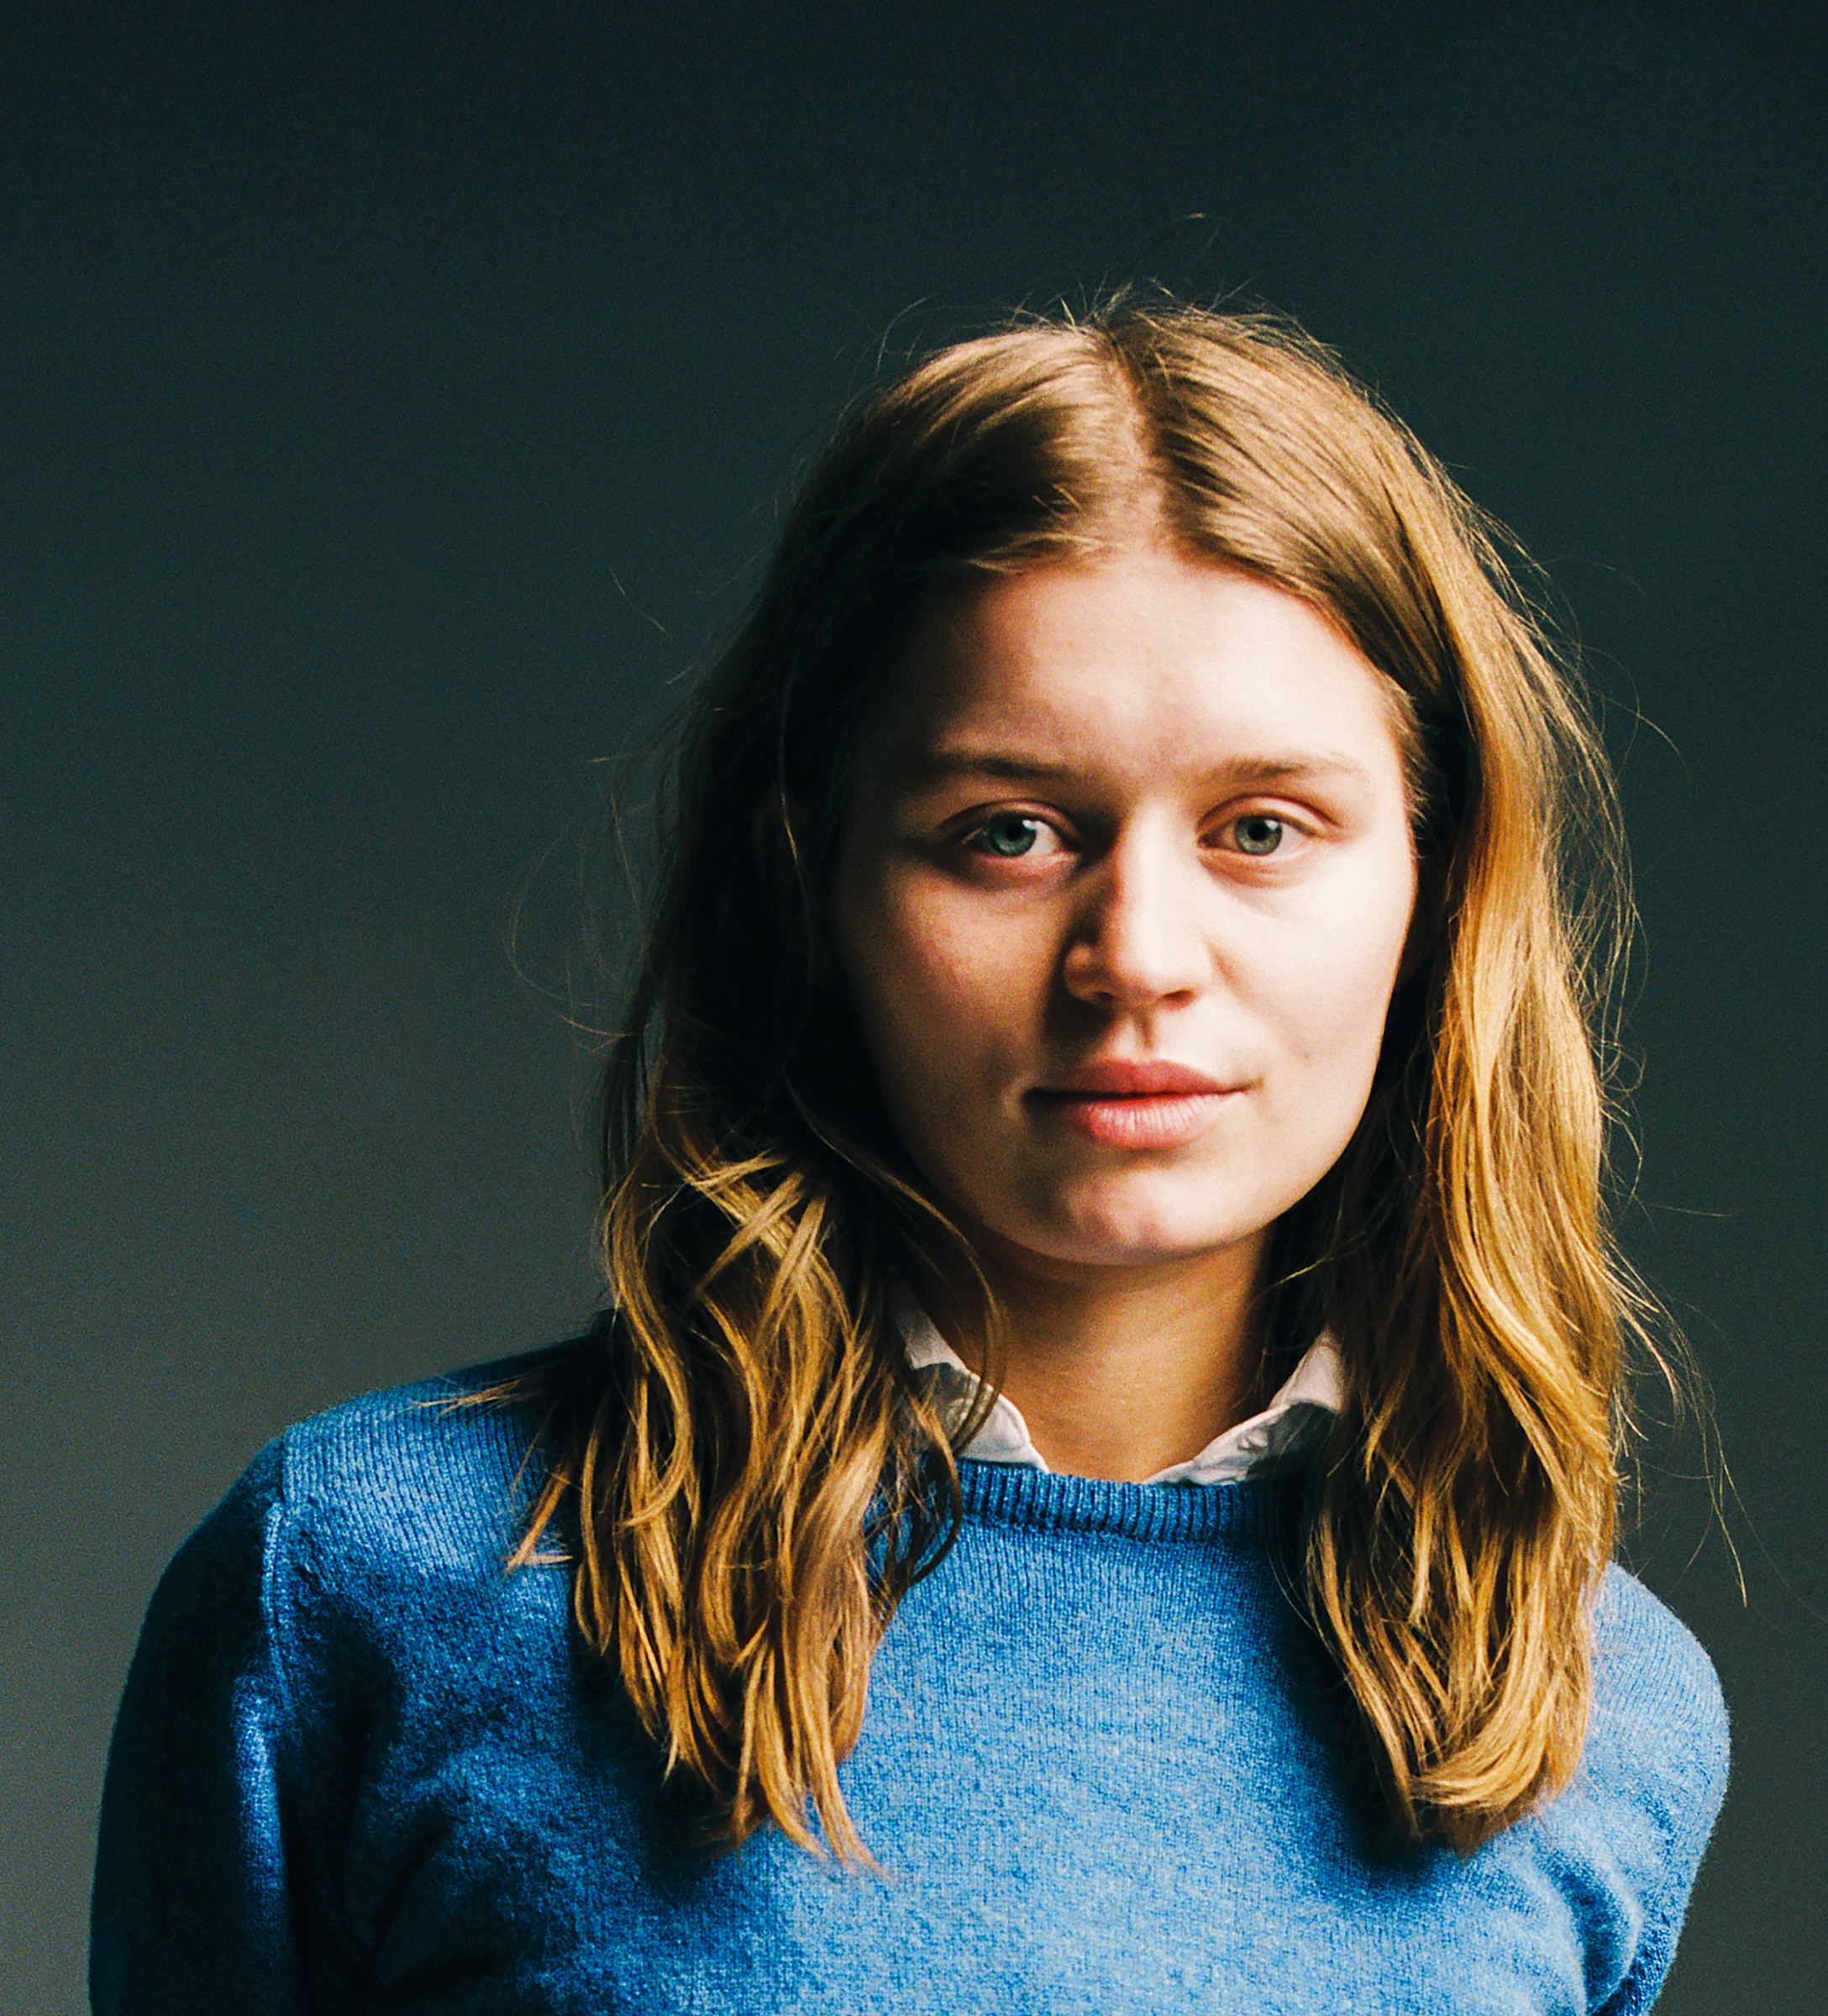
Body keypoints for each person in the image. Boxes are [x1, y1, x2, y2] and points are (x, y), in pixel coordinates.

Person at [92, 301, 1728, 2013]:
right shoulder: (365, 1587)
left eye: (1263, 829)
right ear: (807, 884)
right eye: (1006, 833)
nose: (1138, 955)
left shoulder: (1605, 1715)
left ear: (1435, 889)